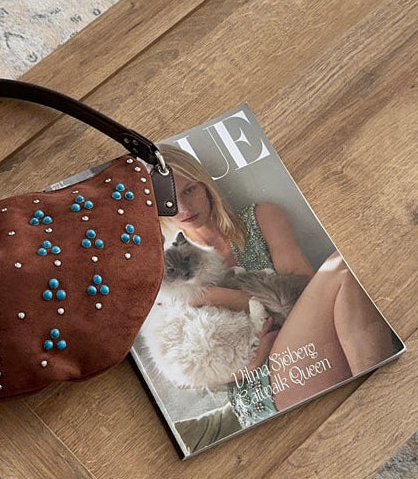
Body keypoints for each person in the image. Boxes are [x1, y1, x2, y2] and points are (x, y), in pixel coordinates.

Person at [158, 145, 397, 445]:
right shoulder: (165, 268)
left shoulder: (261, 218)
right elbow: (178, 375)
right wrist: (247, 366)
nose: (183, 208)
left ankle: (381, 408)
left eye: (189, 190)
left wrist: (219, 297)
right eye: (169, 202)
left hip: (306, 351)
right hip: (260, 389)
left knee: (345, 266)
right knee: (342, 267)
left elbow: (303, 293)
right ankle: (384, 409)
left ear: (204, 184)